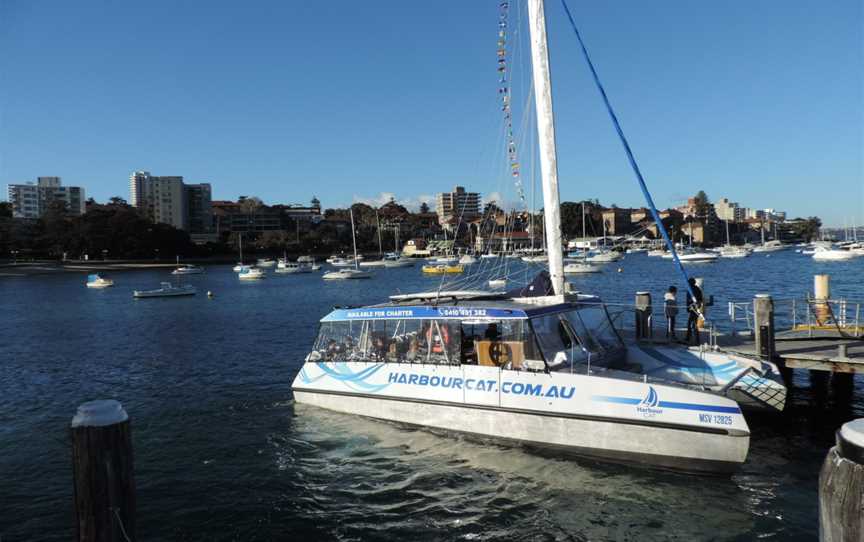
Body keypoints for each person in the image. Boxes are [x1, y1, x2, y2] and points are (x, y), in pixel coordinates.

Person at [685, 278, 703, 345]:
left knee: (692, 324)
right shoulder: (698, 289)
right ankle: (691, 338)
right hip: (696, 308)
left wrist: (688, 308)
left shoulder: (690, 290)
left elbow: (688, 300)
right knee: (692, 323)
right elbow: (700, 299)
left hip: (692, 308)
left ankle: (694, 339)